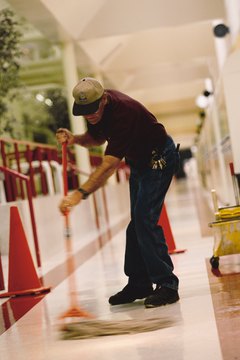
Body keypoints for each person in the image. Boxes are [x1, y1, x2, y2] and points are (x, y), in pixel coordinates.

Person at [56, 77, 180, 308]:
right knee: (137, 223)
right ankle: (139, 283)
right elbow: (96, 138)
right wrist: (74, 139)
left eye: (93, 110)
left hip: (158, 158)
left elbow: (108, 166)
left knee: (144, 220)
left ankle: (167, 284)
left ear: (104, 99)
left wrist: (79, 194)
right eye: (84, 112)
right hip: (139, 162)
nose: (90, 115)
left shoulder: (125, 113)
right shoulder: (95, 108)